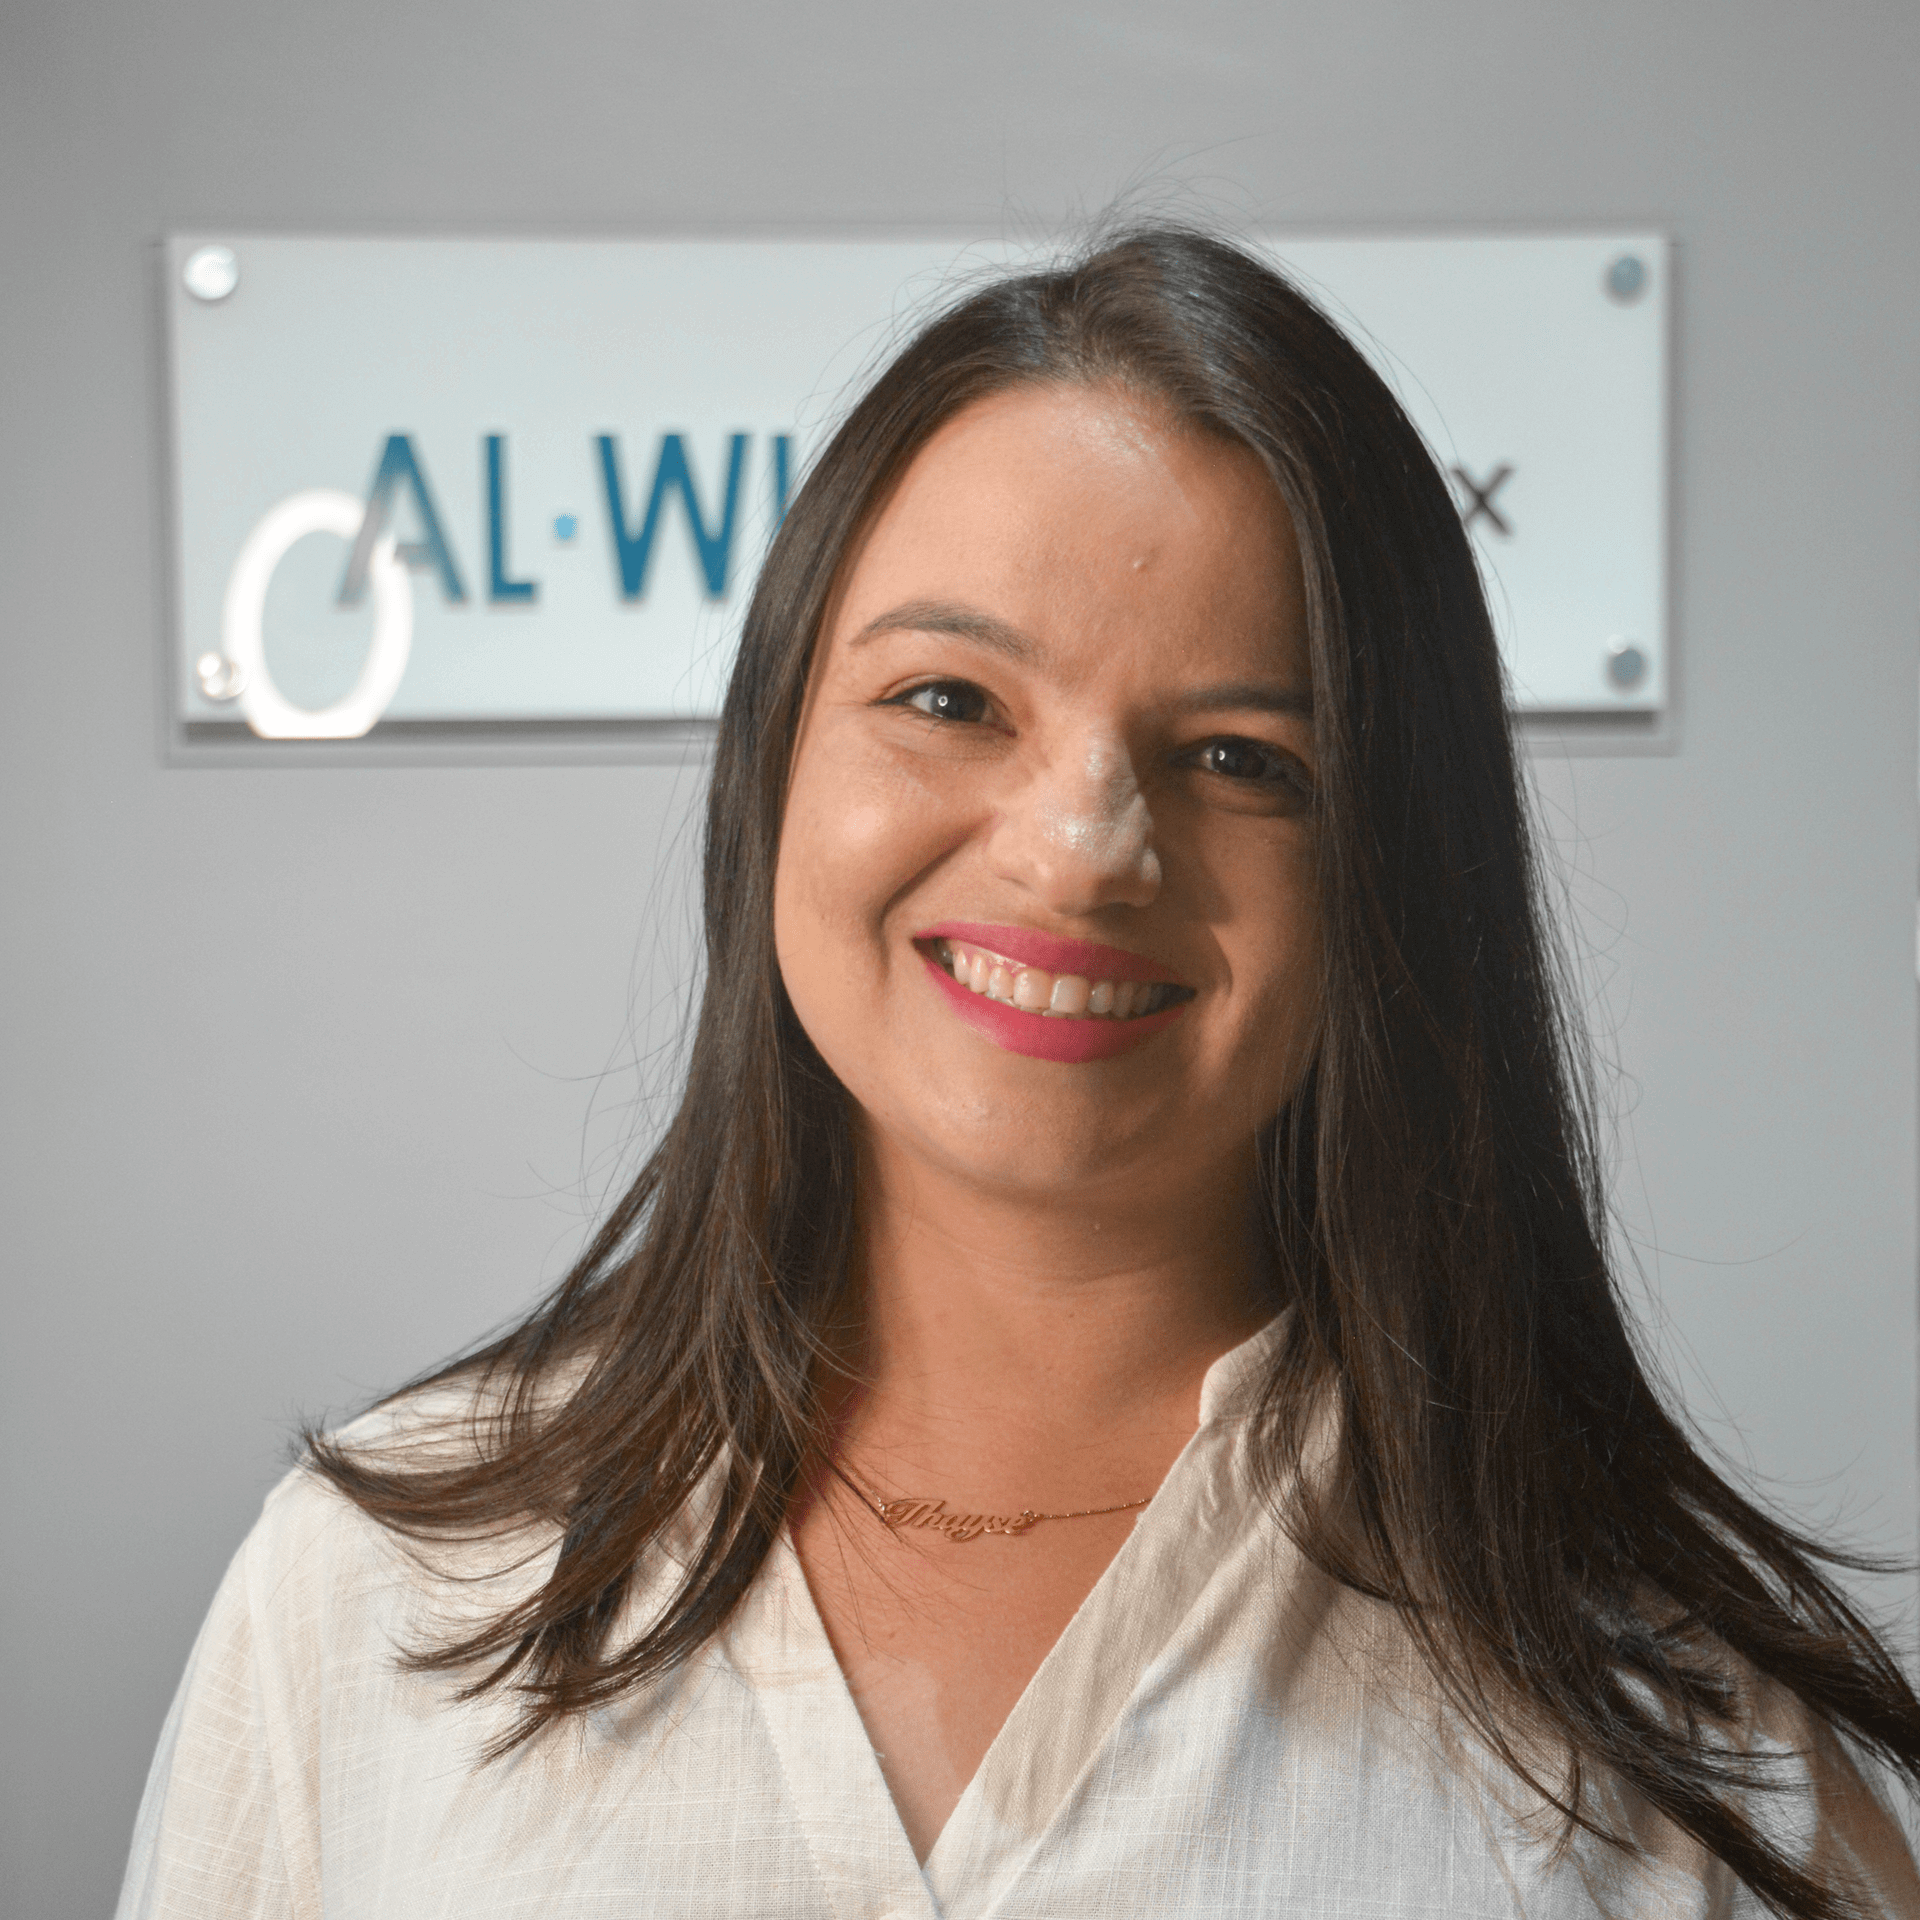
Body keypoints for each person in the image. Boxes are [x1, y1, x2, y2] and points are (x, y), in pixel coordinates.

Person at [120, 227, 1920, 1919]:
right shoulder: (362, 1600)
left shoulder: (1704, 1774)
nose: (1079, 854)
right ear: (772, 767)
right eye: (950, 702)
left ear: (1395, 881)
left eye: (1243, 757)